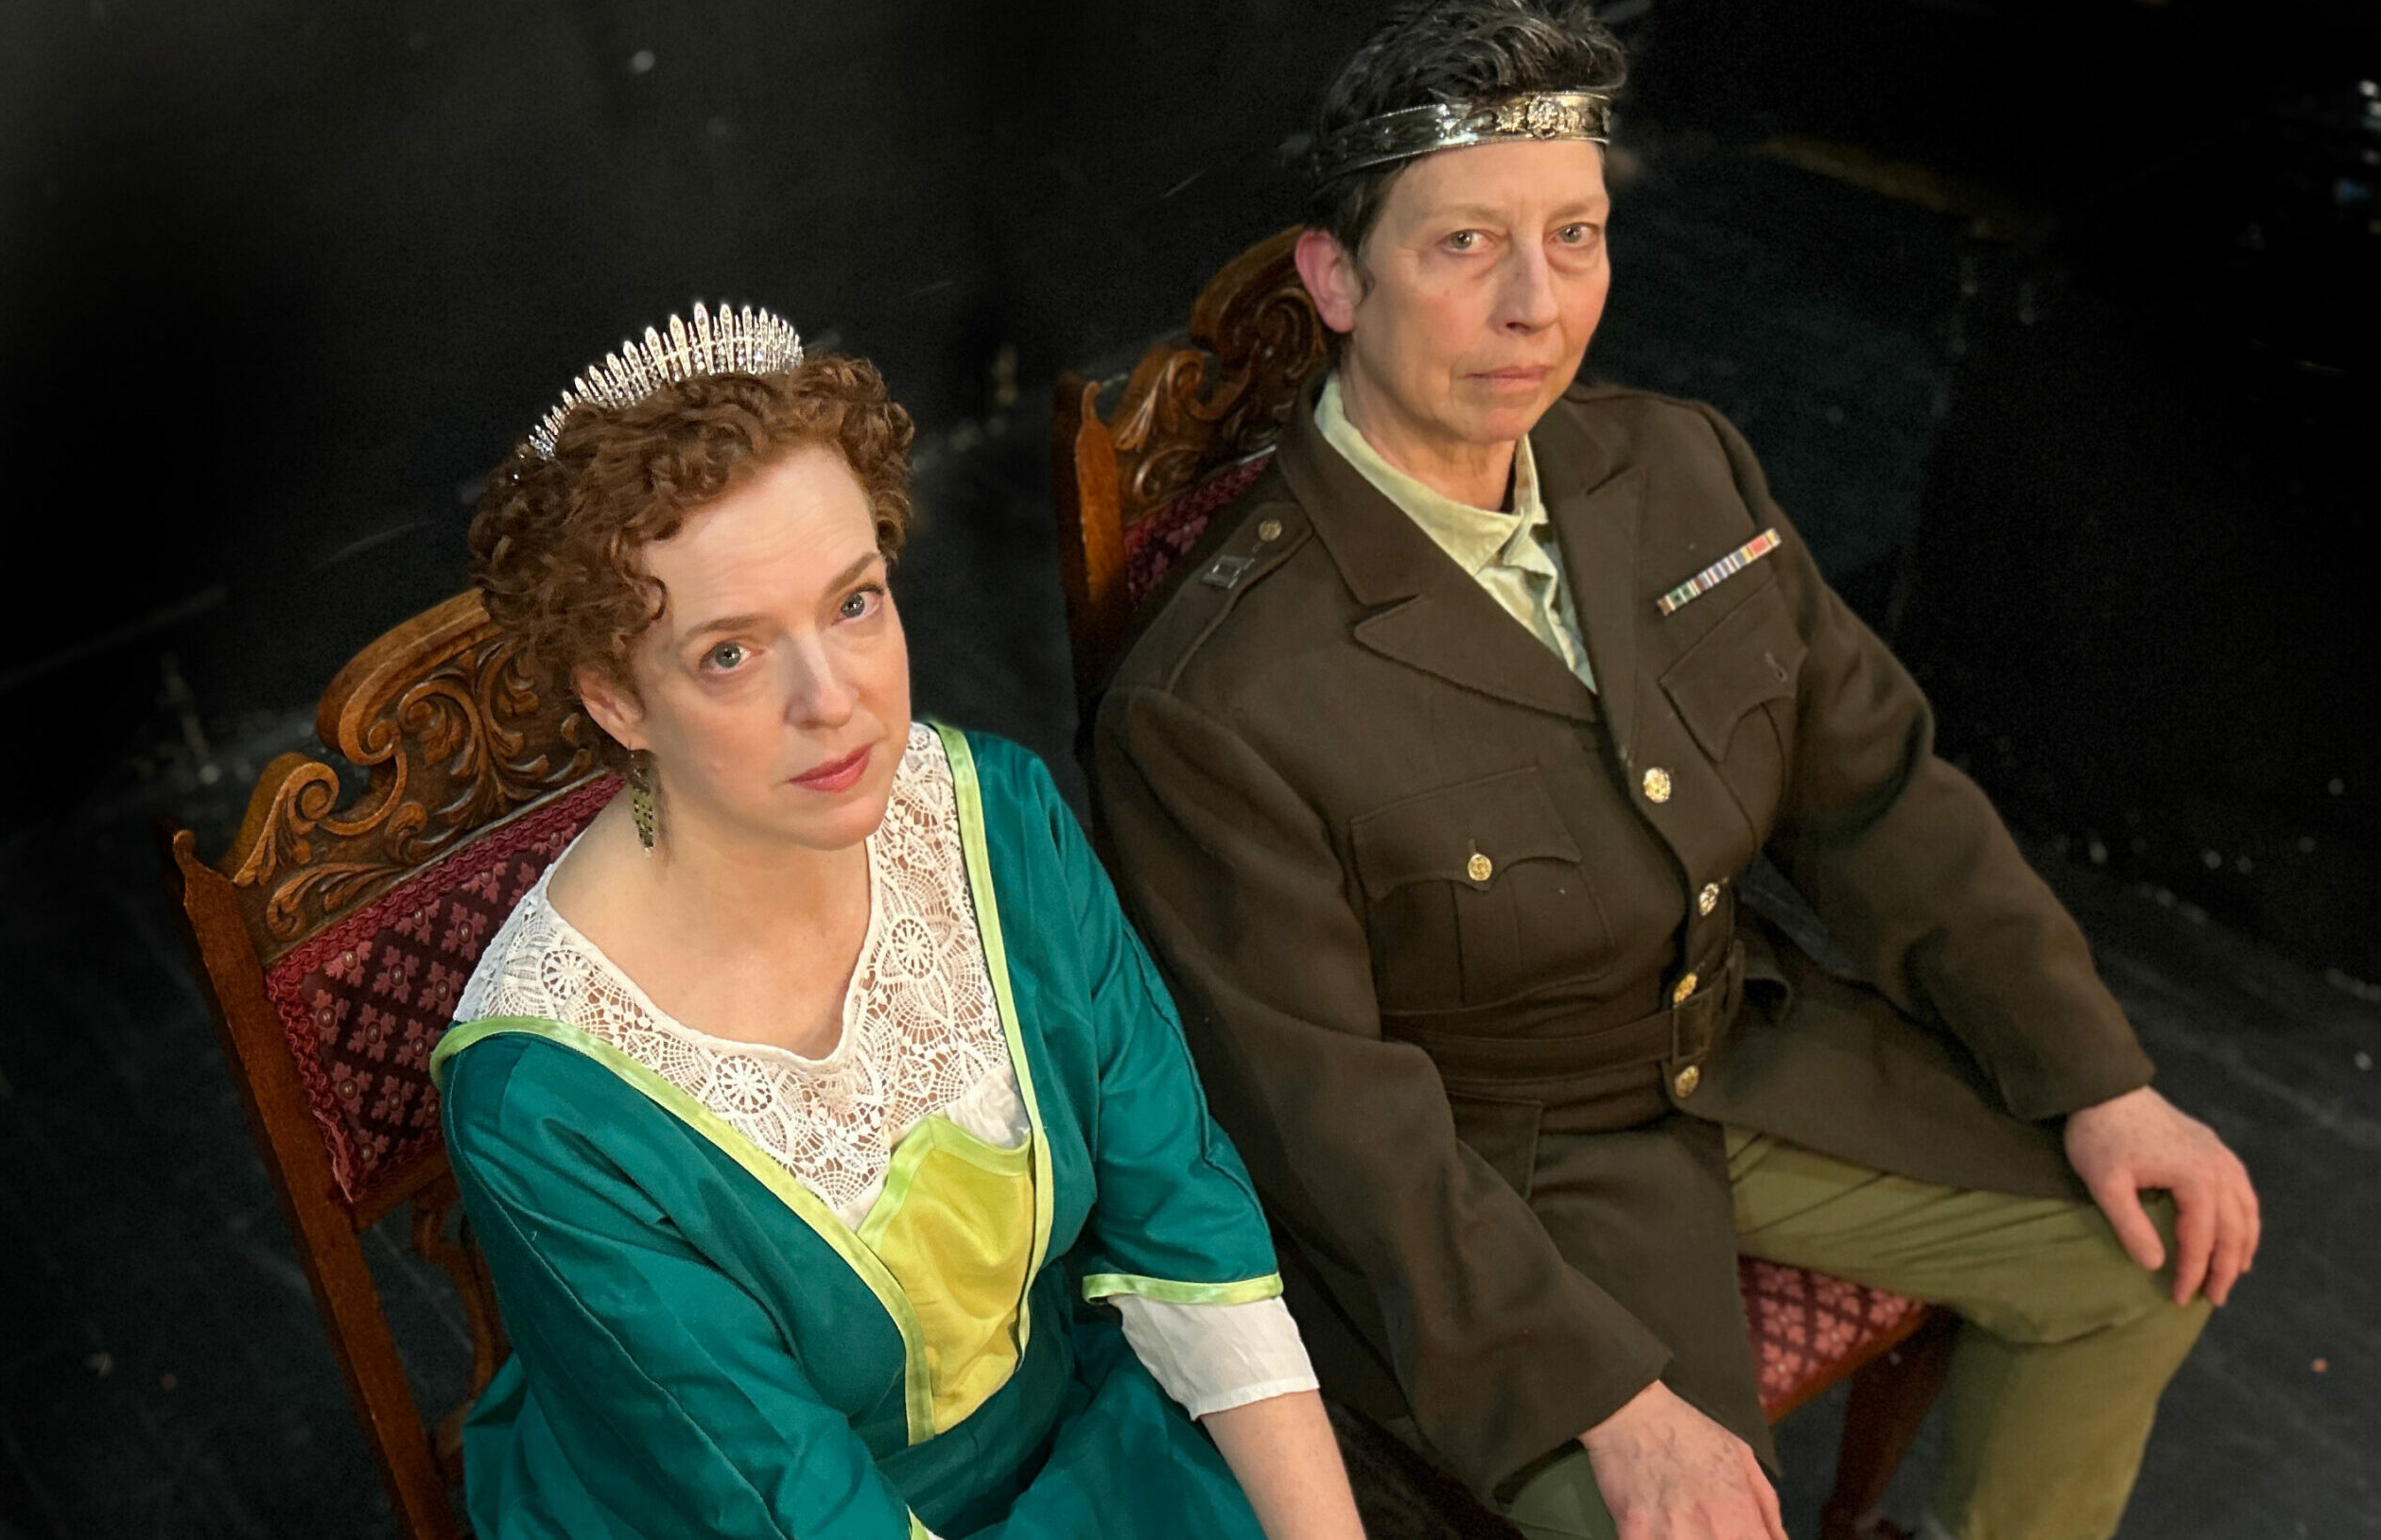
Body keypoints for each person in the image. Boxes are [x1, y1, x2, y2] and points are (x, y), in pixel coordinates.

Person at [1089, 6, 2260, 1539]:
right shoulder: (1214, 700)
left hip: (1747, 1048)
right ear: (1335, 278)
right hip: (1496, 1201)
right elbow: (1333, 1127)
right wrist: (1604, 1399)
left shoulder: (1680, 465)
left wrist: (2095, 1075)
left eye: (1575, 234)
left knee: (2144, 1260)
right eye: (1463, 247)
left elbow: (1879, 796)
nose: (1537, 305)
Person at [430, 305, 1365, 1540]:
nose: (835, 700)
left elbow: (1183, 1219)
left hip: (1075, 1457)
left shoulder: (1000, 821)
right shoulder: (545, 1097)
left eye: (855, 602)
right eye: (730, 654)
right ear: (615, 696)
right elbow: (787, 1499)